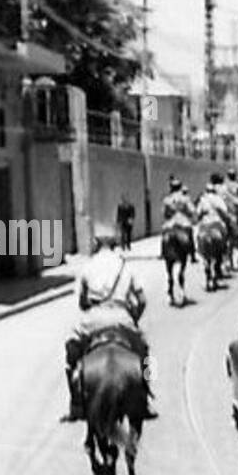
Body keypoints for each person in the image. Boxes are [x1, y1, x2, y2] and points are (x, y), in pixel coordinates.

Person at [64, 231, 154, 421]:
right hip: (122, 317)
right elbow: (142, 299)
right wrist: (133, 319)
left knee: (71, 347)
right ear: (115, 245)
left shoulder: (88, 267)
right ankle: (146, 395)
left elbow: (82, 303)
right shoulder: (125, 267)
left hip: (94, 318)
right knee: (145, 352)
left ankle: (75, 403)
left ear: (96, 245)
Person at [161, 178, 198, 265]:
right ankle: (192, 254)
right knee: (190, 234)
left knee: (164, 234)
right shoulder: (185, 198)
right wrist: (190, 215)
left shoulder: (167, 199)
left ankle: (163, 252)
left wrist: (168, 215)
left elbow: (164, 213)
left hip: (171, 222)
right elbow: (192, 210)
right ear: (180, 187)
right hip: (183, 221)